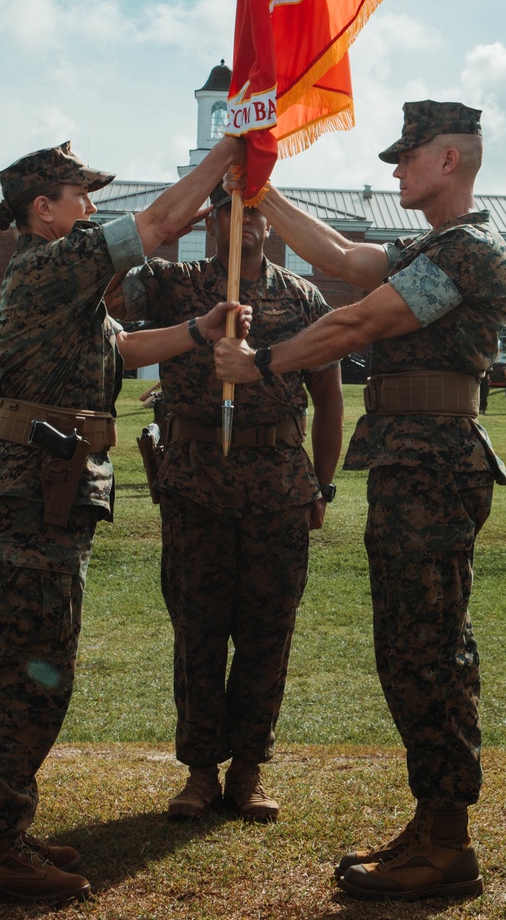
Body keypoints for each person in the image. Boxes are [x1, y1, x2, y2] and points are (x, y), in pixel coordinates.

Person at [216, 101, 506, 903]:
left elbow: (360, 320)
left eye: (407, 157)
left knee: (426, 646)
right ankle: (434, 820)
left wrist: (262, 363)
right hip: (413, 459)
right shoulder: (439, 246)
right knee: (412, 642)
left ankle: (446, 840)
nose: (395, 169)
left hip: (433, 463)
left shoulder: (472, 250)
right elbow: (345, 257)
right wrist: (264, 188)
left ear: (447, 160)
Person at [0, 135, 244, 904]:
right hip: (34, 485)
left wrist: (200, 330)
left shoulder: (69, 290)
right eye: (79, 195)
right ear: (41, 210)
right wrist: (227, 154)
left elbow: (124, 349)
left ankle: (5, 825)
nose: (92, 207)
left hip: (50, 485)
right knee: (28, 666)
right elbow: (152, 228)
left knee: (39, 659)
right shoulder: (52, 264)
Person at [114, 181, 344, 823]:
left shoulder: (303, 297)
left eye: (253, 208)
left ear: (269, 221)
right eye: (227, 207)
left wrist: (322, 487)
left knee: (269, 630)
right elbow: (102, 285)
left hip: (277, 486)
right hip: (195, 485)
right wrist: (178, 213)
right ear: (209, 219)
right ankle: (198, 772)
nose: (243, 219)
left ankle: (248, 769)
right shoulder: (170, 283)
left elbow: (330, 399)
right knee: (197, 629)